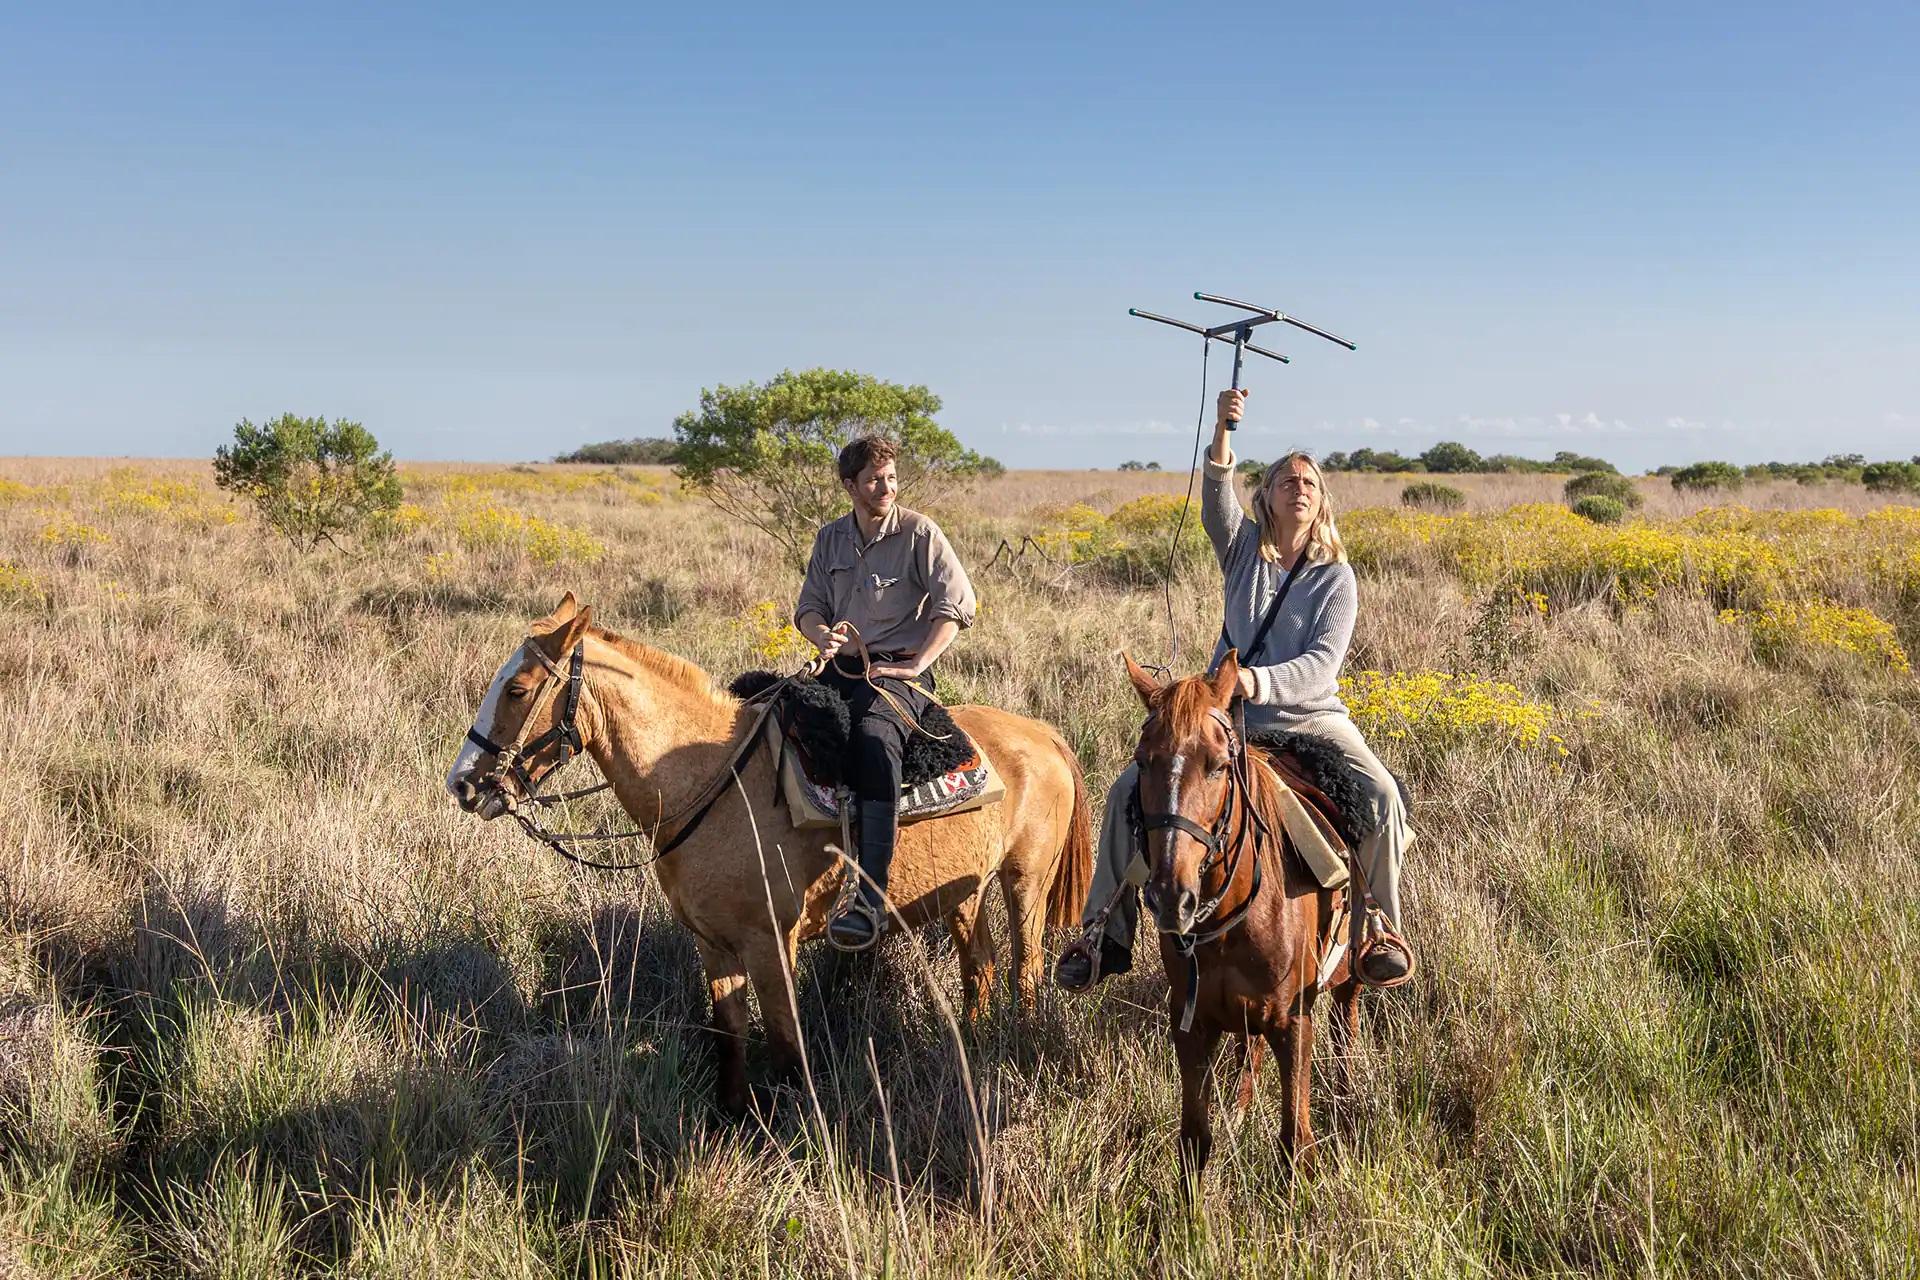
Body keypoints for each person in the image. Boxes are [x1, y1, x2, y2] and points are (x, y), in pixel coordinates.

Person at [1054, 388, 1416, 990]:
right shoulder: (1245, 549)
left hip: (1308, 717)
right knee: (1128, 792)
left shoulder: (1336, 578)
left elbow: (1322, 666)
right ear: (1267, 495)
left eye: (1309, 482)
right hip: (1229, 718)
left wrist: (1255, 678)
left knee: (1379, 794)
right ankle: (1101, 934)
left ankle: (1377, 926)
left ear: (1321, 501)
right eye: (1285, 481)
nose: (1298, 488)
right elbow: (1215, 498)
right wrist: (1224, 428)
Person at [795, 435, 977, 951]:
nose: (886, 487)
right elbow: (808, 606)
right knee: (774, 719)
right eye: (875, 479)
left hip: (898, 676)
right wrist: (818, 634)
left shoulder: (920, 532)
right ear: (850, 485)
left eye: (892, 477)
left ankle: (870, 899)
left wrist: (920, 662)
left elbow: (957, 604)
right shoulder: (830, 538)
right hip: (840, 669)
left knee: (875, 741)